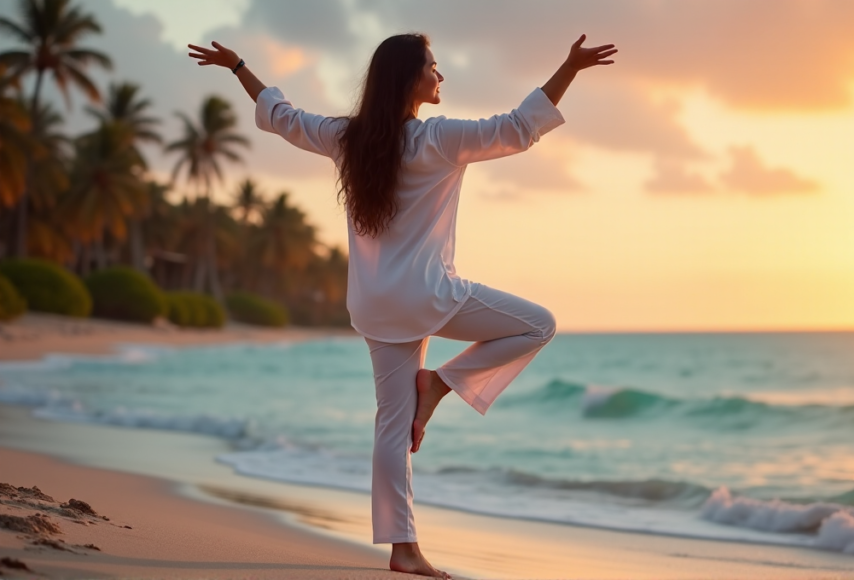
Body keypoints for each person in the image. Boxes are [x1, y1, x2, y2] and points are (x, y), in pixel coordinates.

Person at [188, 32, 616, 579]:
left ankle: (402, 549)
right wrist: (570, 68)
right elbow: (516, 128)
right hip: (428, 295)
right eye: (433, 67)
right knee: (538, 325)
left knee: (391, 427)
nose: (440, 76)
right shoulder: (438, 139)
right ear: (409, 79)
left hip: (372, 305)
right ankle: (439, 385)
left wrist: (238, 66)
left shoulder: (348, 137)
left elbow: (283, 115)